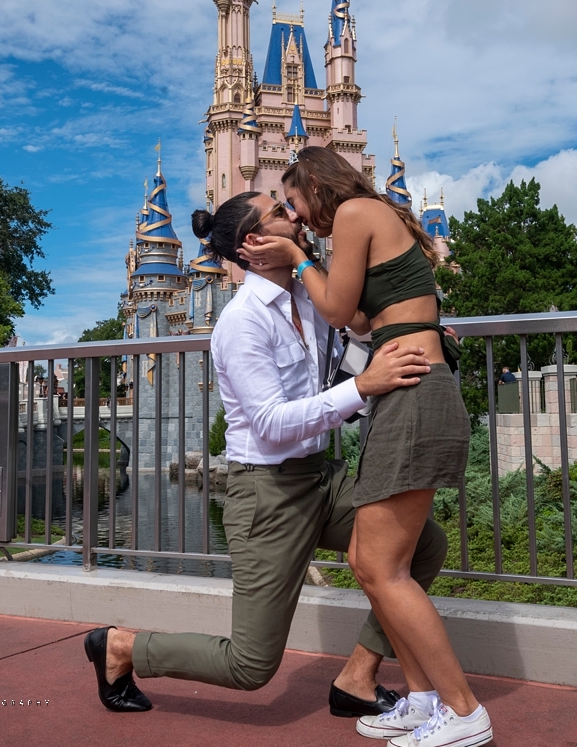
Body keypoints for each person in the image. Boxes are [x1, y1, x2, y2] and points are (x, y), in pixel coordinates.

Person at [81, 191, 449, 722]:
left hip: (323, 477)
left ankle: (358, 677)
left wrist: (422, 337)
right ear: (254, 243)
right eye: (279, 211)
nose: (293, 215)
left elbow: (358, 337)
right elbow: (272, 424)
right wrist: (364, 387)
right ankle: (120, 647)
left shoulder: (311, 298)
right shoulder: (242, 321)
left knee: (424, 545)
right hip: (266, 492)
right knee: (250, 667)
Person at [241, 146, 492, 747]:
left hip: (413, 396)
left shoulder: (354, 214)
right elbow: (356, 316)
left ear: (315, 186)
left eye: (294, 203)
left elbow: (331, 312)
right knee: (366, 560)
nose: (296, 216)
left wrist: (300, 257)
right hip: (403, 393)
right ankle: (422, 698)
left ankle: (464, 712)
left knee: (381, 567)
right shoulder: (373, 215)